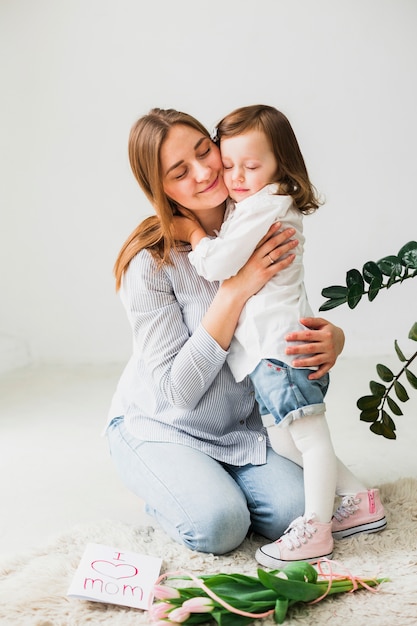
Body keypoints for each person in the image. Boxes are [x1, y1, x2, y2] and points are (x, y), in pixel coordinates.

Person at [106, 107, 347, 558]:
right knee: (220, 526)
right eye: (180, 171)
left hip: (240, 430)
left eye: (204, 151)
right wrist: (234, 291)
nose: (204, 172)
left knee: (298, 509)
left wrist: (333, 338)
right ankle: (168, 487)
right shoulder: (150, 262)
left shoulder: (254, 218)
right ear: (159, 188)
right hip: (164, 423)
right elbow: (179, 391)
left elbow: (282, 309)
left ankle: (211, 483)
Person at [173, 104, 386, 567]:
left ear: (280, 165)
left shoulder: (267, 203)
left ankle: (316, 526)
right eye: (228, 166)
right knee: (287, 441)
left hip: (281, 349)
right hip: (268, 353)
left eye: (252, 166)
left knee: (307, 438)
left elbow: (216, 263)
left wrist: (192, 231)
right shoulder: (248, 205)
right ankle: (358, 500)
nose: (236, 178)